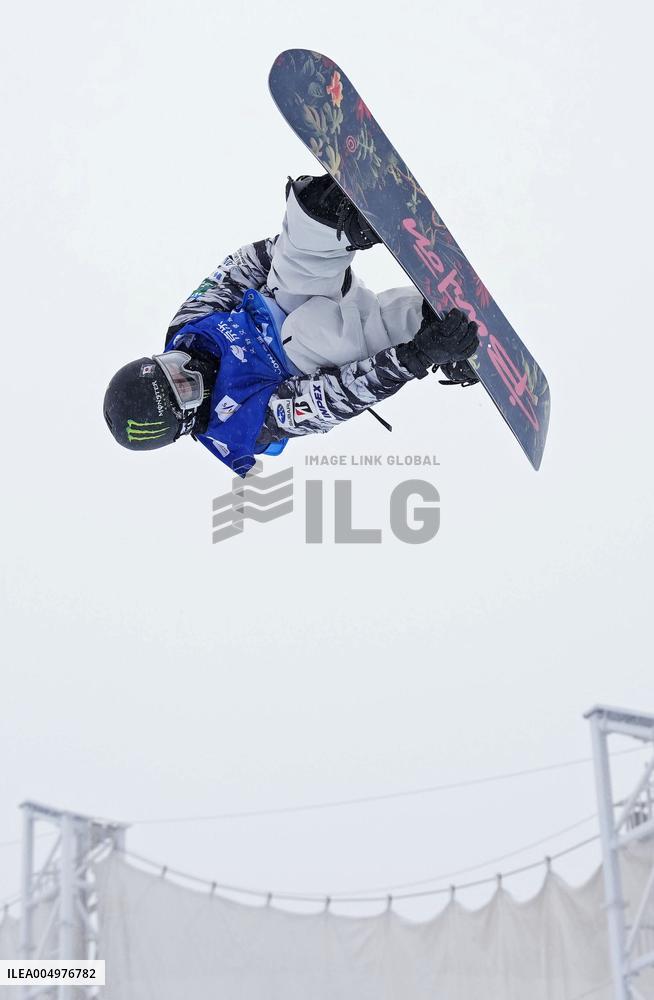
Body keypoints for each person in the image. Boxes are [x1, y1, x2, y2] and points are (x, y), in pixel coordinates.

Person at [103, 175, 479, 476]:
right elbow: (328, 399)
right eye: (187, 386)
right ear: (187, 418)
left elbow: (237, 270)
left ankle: (332, 217)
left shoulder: (188, 331)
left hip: (294, 293)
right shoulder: (239, 425)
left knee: (294, 274)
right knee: (311, 335)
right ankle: (429, 324)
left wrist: (303, 237)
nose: (191, 368)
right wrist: (417, 356)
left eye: (173, 366)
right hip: (322, 352)